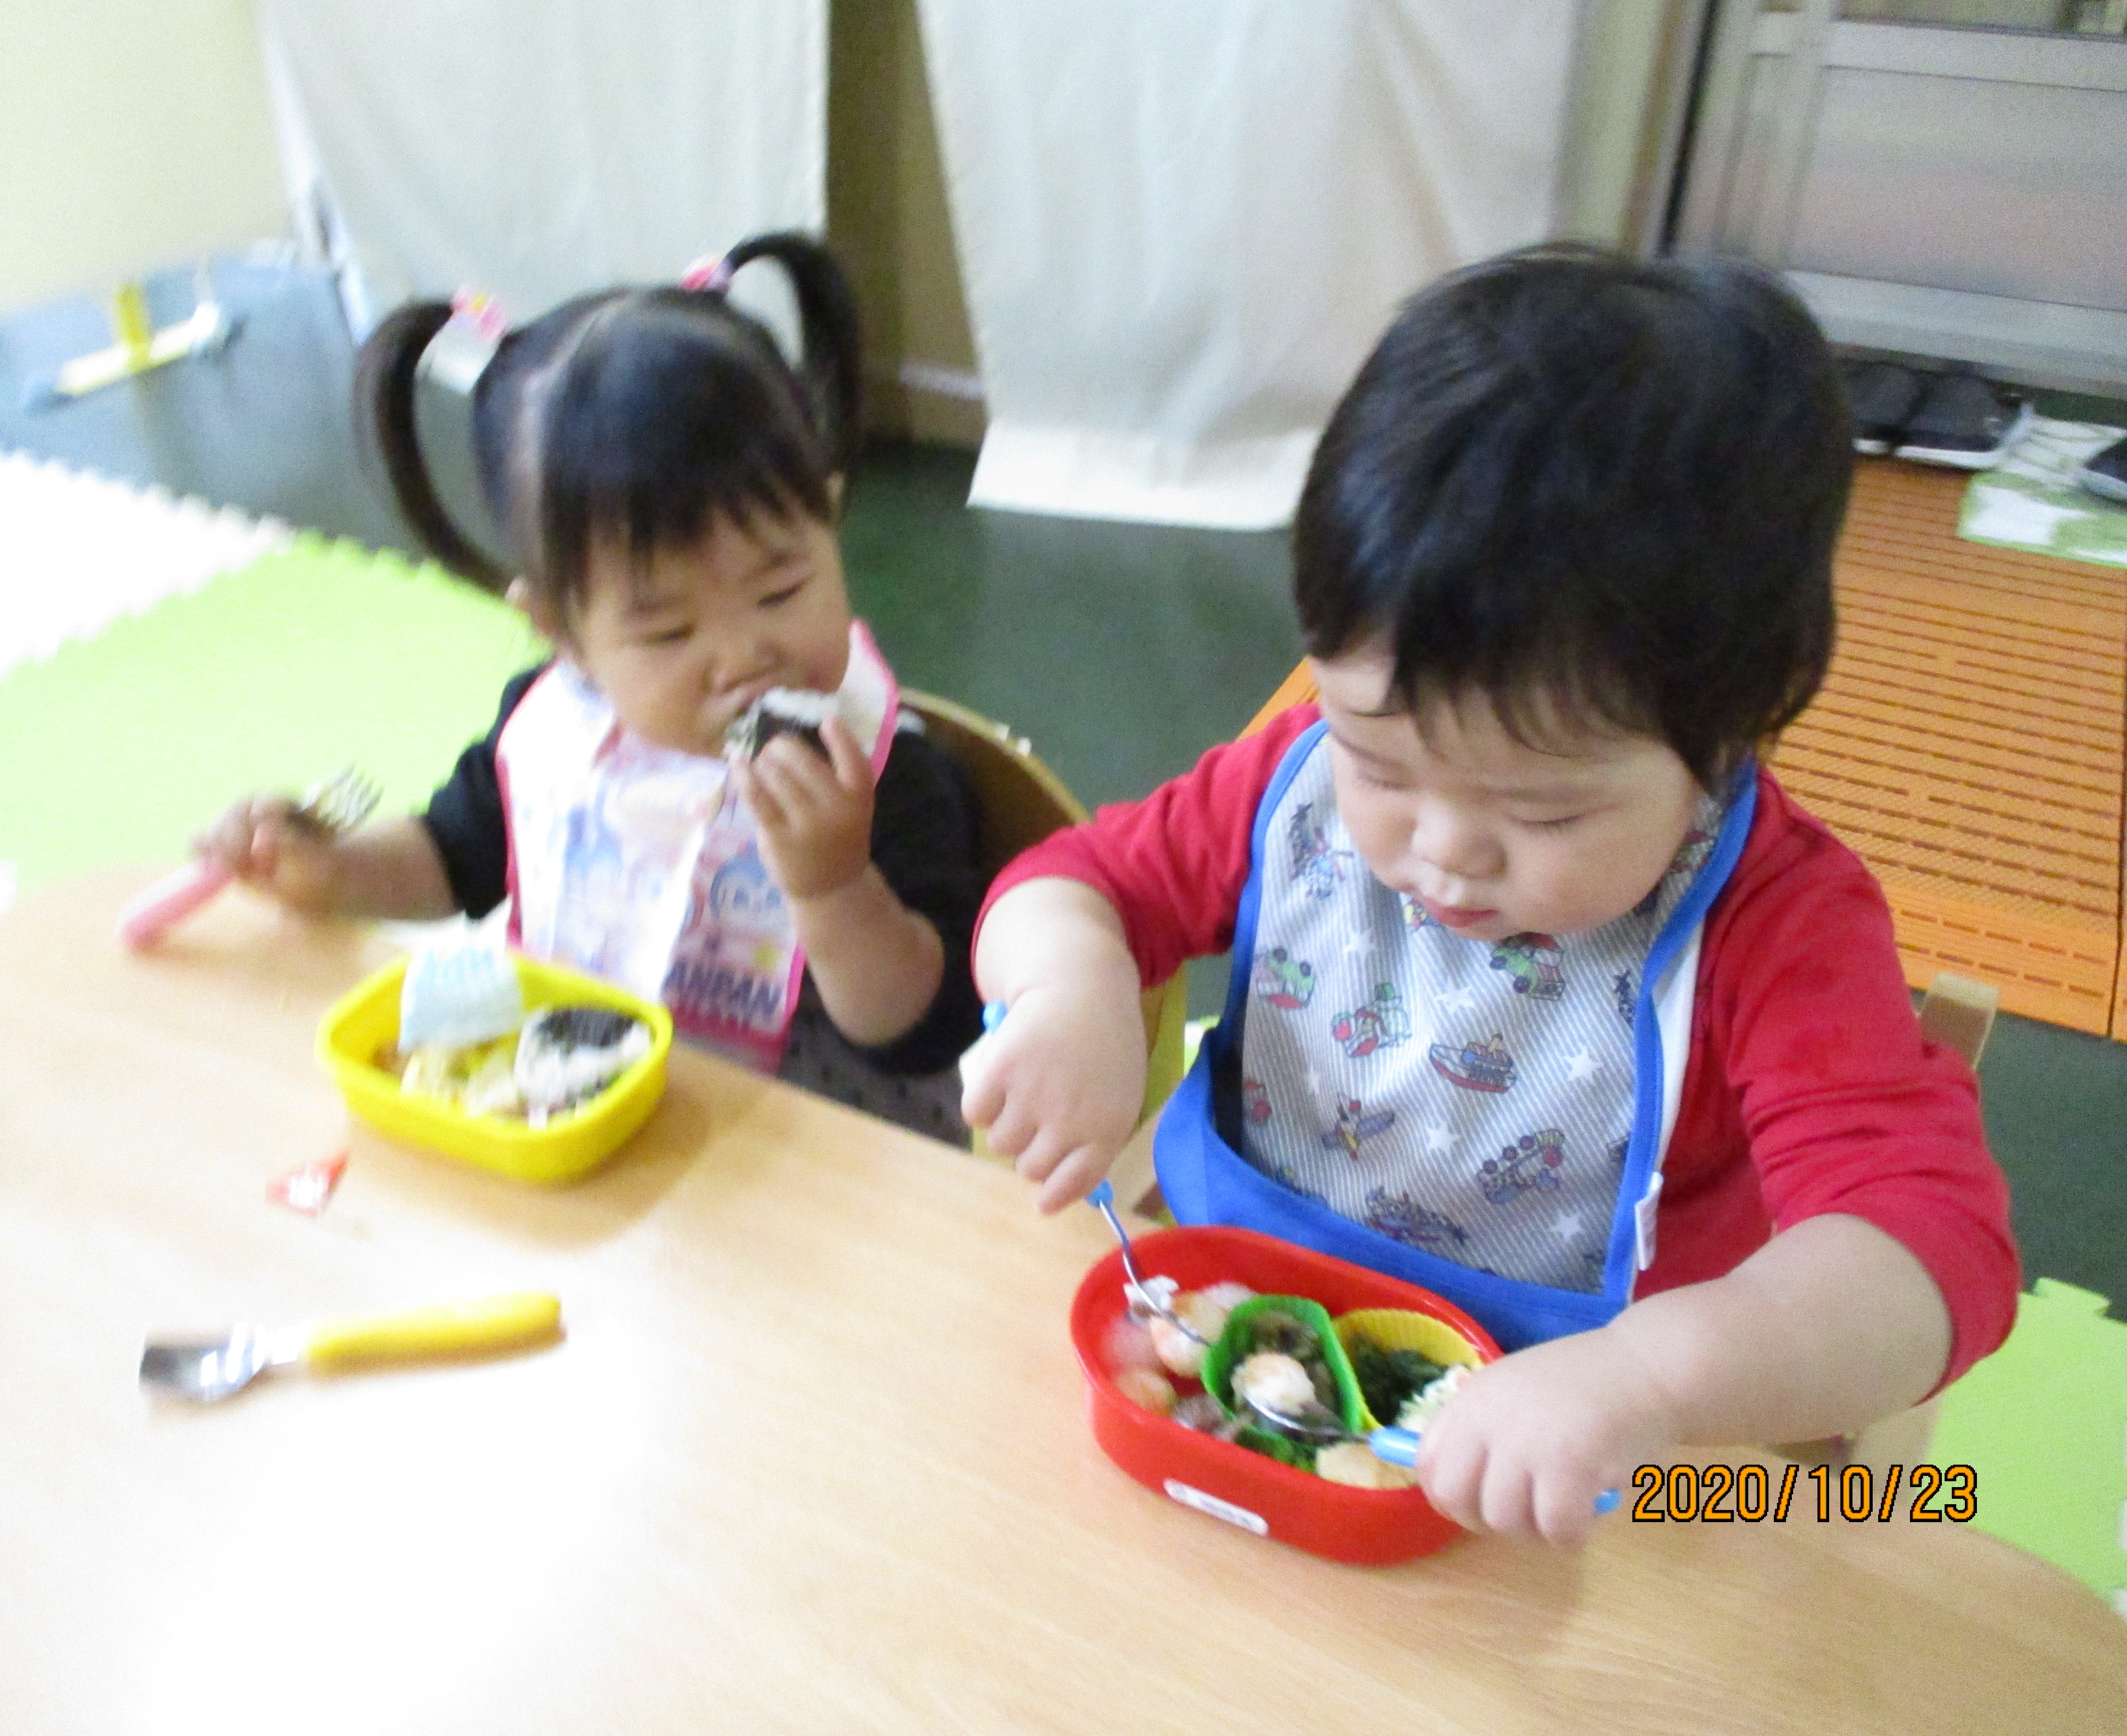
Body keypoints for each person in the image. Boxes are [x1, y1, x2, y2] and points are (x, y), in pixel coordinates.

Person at [963, 245, 2019, 1543]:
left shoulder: (1780, 927)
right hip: (1229, 1330)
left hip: (1574, 1457)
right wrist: (1070, 990)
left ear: (1734, 727)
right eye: (1381, 762)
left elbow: (1928, 1254)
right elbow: (1067, 882)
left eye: (1546, 811)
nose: (1444, 854)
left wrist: (1653, 1379)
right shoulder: (1286, 792)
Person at [197, 233, 986, 1143]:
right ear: (561, 633)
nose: (743, 656)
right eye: (666, 629)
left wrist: (833, 888)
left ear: (829, 516)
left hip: (819, 1172)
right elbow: (449, 857)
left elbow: (919, 1028)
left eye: (780, 589)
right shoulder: (550, 735)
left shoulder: (881, 772)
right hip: (581, 1123)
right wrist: (328, 870)